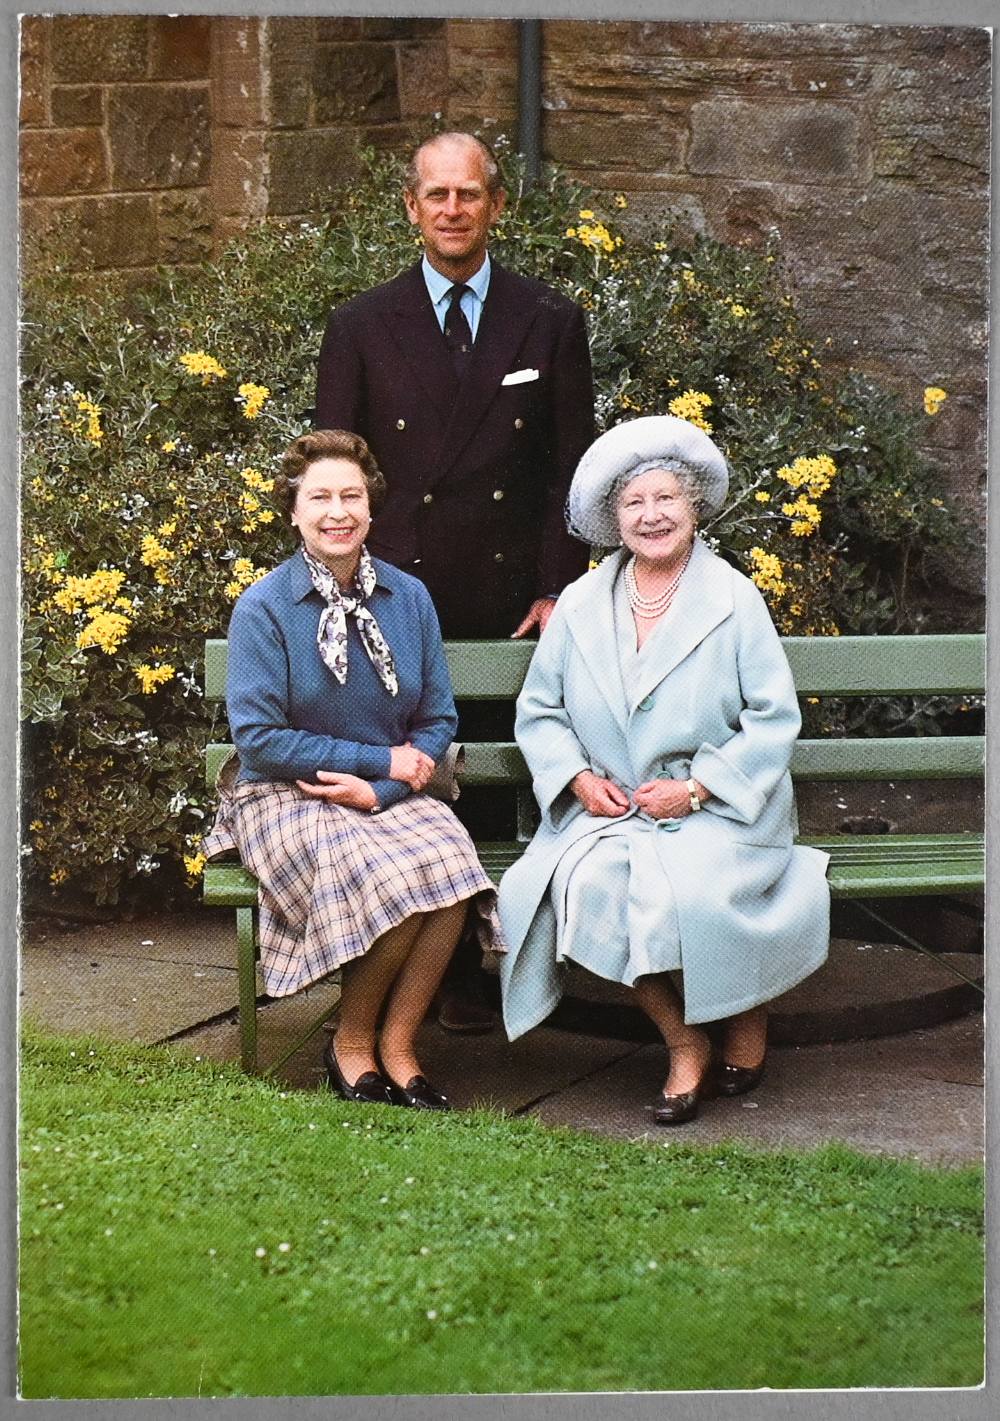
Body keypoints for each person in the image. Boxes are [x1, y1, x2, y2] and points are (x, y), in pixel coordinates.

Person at [315, 130, 596, 1030]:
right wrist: (345, 585)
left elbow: (572, 468)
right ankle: (380, 966)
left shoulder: (546, 317)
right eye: (435, 195)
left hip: (509, 599)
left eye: (467, 194)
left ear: (495, 205)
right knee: (402, 777)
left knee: (489, 778)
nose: (451, 209)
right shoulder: (360, 323)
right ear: (410, 207)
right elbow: (335, 466)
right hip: (392, 597)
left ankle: (488, 969)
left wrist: (560, 583)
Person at [497, 415, 831, 1124]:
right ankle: (685, 1042)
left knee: (696, 893)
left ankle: (747, 1012)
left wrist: (698, 786)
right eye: (634, 503)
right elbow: (541, 712)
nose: (651, 516)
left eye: (666, 499)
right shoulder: (583, 601)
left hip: (719, 807)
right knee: (590, 886)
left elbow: (774, 718)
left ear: (694, 507)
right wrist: (578, 779)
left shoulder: (734, 598)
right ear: (614, 519)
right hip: (614, 813)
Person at [202, 429, 504, 1110]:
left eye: (350, 496)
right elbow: (260, 740)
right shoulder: (264, 607)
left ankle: (397, 1044)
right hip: (282, 791)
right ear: (294, 510)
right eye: (320, 497)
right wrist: (374, 761)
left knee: (451, 864)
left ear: (371, 509)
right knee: (385, 872)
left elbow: (436, 720)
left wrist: (386, 785)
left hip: (388, 787)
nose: (336, 510)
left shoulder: (409, 597)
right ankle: (352, 1042)